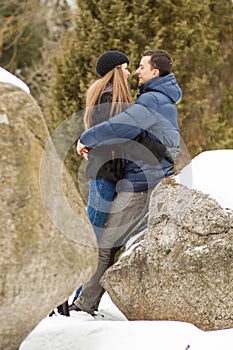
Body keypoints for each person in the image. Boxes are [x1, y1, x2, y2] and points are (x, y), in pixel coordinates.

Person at [72, 49, 182, 316]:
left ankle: (82, 305)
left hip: (141, 181)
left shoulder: (153, 99)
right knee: (108, 242)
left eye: (142, 66)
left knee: (106, 242)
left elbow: (122, 126)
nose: (136, 71)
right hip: (139, 176)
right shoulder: (154, 97)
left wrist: (87, 137)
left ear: (155, 72)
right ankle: (84, 302)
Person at [70, 50, 132, 308]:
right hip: (104, 175)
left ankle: (76, 295)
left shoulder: (112, 98)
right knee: (94, 235)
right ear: (117, 70)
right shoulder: (109, 97)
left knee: (98, 233)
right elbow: (104, 134)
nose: (129, 72)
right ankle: (73, 296)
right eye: (126, 67)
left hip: (108, 173)